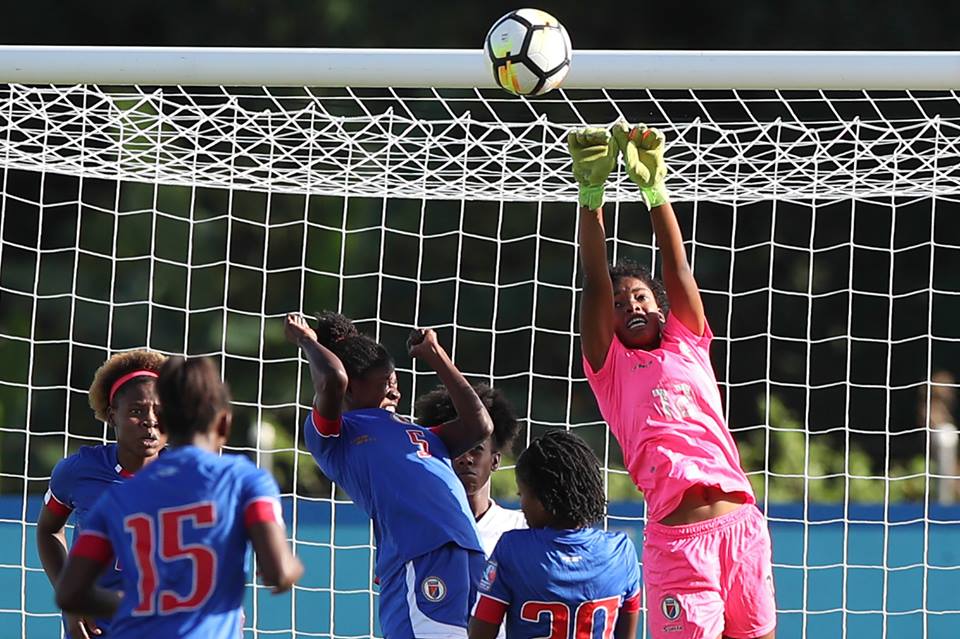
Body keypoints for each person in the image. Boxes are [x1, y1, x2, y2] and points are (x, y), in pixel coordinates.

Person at [568, 122, 777, 639]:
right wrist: (591, 195)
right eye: (619, 305)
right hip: (678, 544)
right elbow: (595, 281)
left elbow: (677, 263)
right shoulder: (610, 368)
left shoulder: (688, 341)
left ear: (660, 307)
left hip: (742, 529)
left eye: (639, 296)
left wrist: (654, 187)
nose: (630, 305)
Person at [55, 356, 303, 638]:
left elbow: (70, 593)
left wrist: (145, 605)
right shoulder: (245, 480)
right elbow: (279, 572)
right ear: (224, 424)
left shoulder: (117, 499)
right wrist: (289, 567)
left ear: (166, 421)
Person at [285, 311, 493, 639]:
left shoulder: (423, 434)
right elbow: (332, 379)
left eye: (395, 379)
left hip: (467, 551)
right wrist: (307, 340)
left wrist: (436, 357)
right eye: (384, 381)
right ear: (352, 388)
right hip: (417, 557)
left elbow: (481, 425)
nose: (393, 387)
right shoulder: (338, 435)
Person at [37, 349, 168, 639]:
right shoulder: (78, 472)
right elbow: (48, 530)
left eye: (160, 411)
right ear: (112, 416)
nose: (150, 421)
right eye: (136, 411)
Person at [468, 430, 641, 639]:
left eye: (522, 494)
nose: (521, 505)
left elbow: (480, 633)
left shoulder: (512, 549)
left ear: (543, 499)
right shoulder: (621, 551)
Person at [415, 382, 526, 557]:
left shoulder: (521, 529)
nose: (465, 459)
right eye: (456, 449)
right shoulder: (417, 532)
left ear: (495, 461)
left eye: (476, 449)